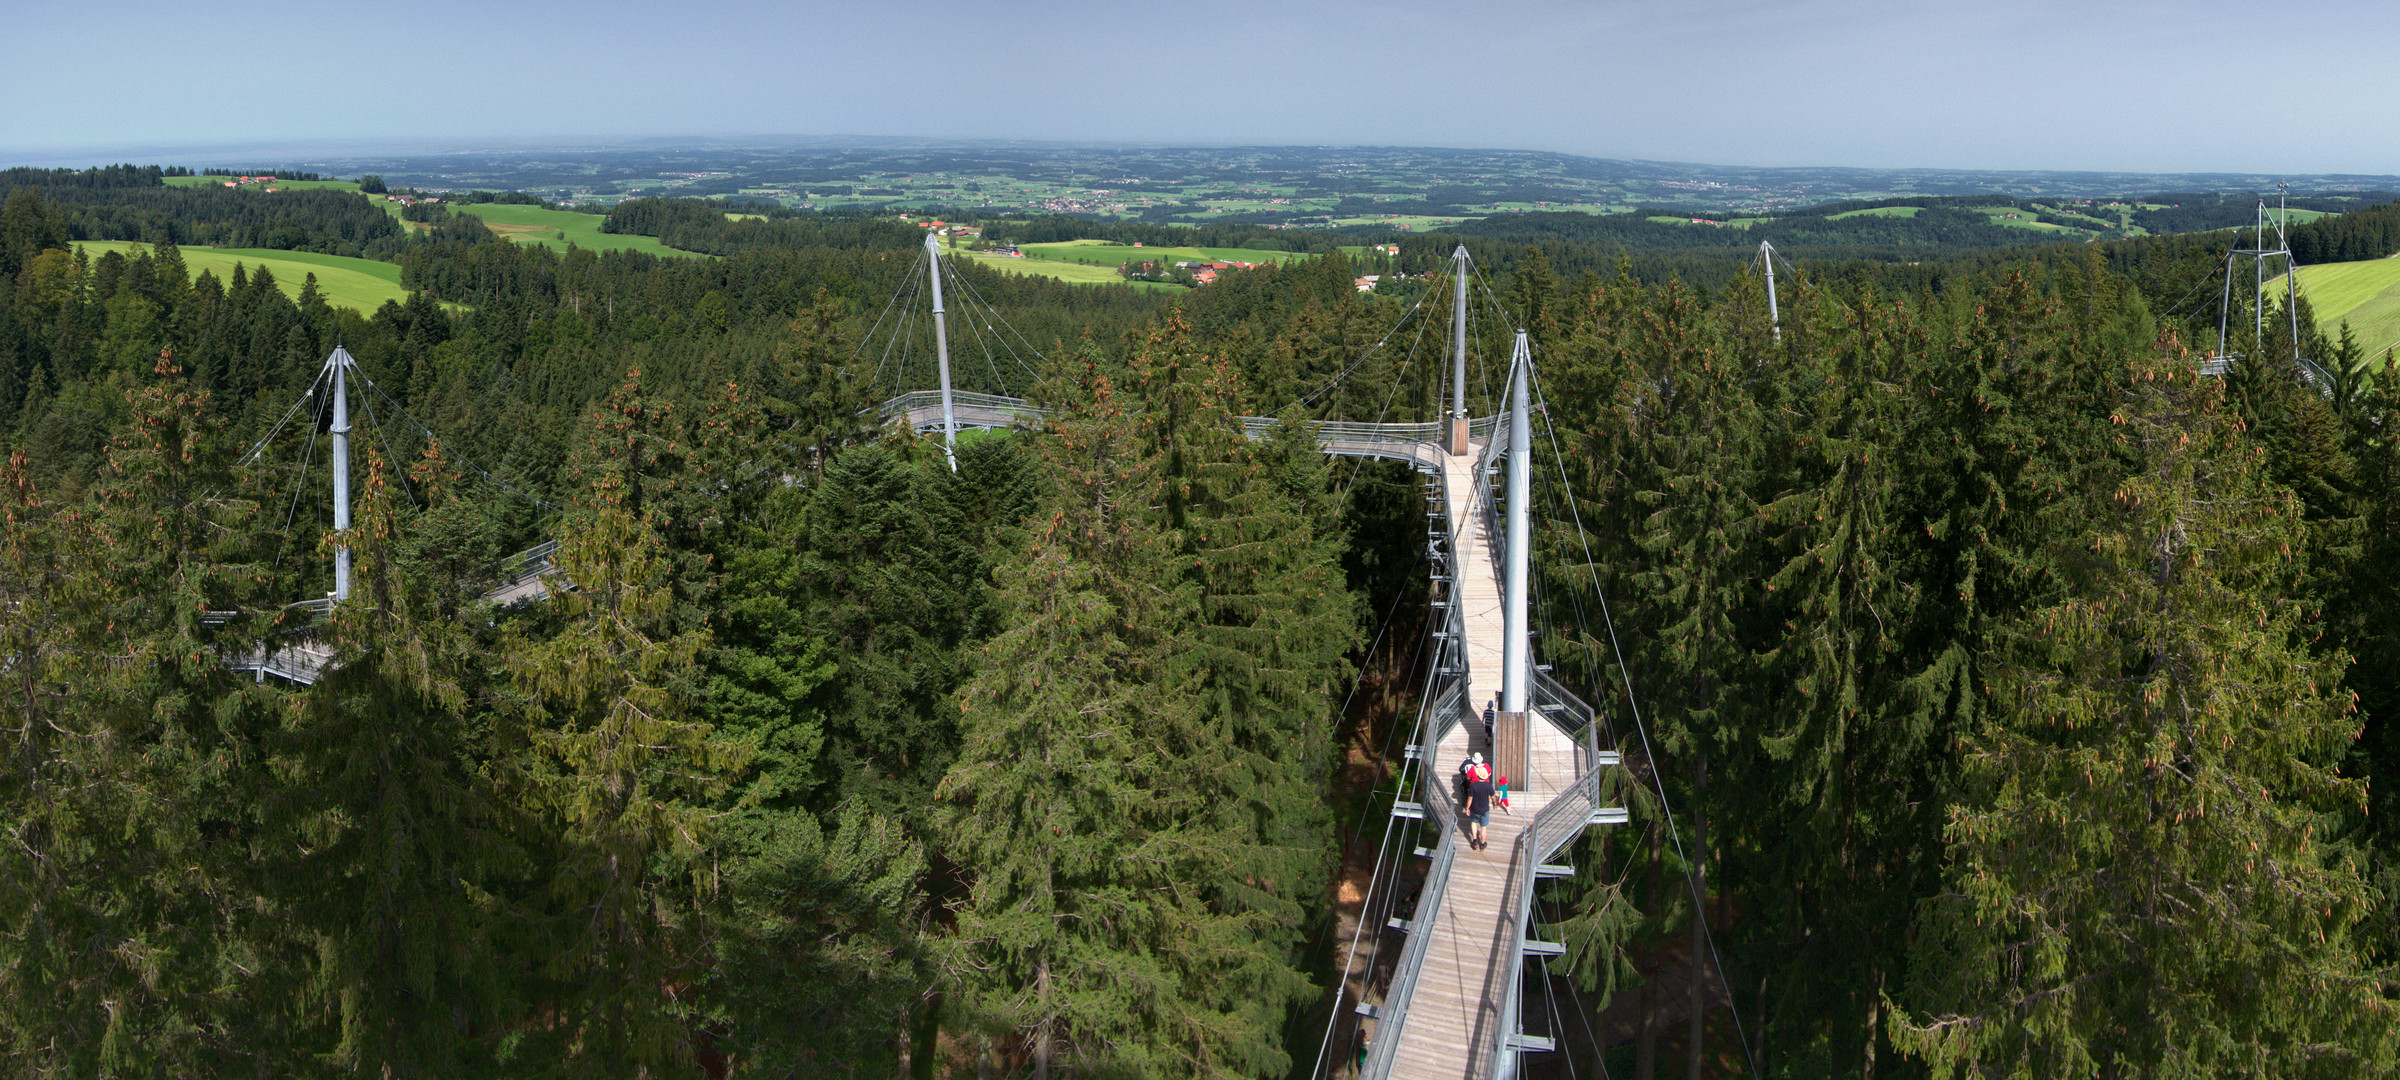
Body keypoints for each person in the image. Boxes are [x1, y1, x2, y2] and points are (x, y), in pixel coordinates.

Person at [1465, 762, 1496, 851]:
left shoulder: (1473, 785)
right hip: (1485, 809)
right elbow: (1493, 797)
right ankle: (1482, 843)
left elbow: (1470, 798)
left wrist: (1467, 808)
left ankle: (1474, 841)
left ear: (1478, 776)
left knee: (1474, 823)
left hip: (1474, 808)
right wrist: (1494, 803)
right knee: (1483, 827)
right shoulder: (1488, 786)